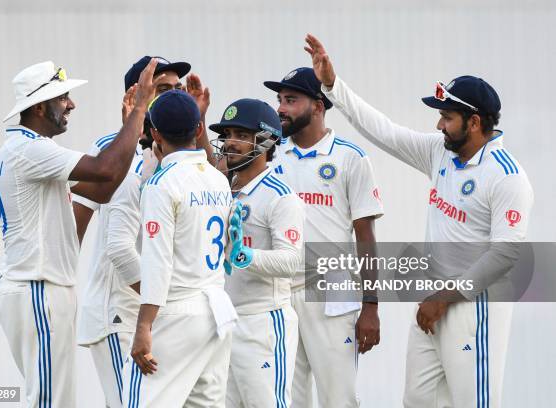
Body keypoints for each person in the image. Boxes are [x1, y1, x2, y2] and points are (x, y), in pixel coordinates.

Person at [304, 33, 534, 407]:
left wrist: (444, 299)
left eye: (447, 117)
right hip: (431, 305)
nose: (439, 126)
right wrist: (332, 86)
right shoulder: (440, 154)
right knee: (417, 401)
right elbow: (384, 131)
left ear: (474, 122)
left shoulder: (507, 177)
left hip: (472, 311)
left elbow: (506, 253)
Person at [0, 59, 159, 407]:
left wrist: (130, 126)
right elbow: (105, 169)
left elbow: (103, 188)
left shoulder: (31, 150)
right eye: (62, 97)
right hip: (38, 287)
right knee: (51, 401)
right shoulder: (30, 150)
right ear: (39, 106)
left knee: (54, 398)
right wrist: (139, 111)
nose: (71, 104)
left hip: (41, 287)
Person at [74, 56, 200, 408]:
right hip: (120, 312)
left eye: (179, 89)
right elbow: (90, 233)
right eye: (163, 89)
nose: (176, 97)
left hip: (154, 312)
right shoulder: (112, 152)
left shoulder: (177, 156)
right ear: (137, 95)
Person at [263, 66, 384, 407]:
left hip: (332, 290)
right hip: (281, 292)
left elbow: (366, 235)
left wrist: (371, 306)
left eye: (291, 100)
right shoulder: (270, 156)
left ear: (318, 106)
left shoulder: (351, 158)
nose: (281, 109)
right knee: (287, 397)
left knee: (338, 399)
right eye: (279, 100)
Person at [122, 90, 237, 407]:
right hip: (216, 311)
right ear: (199, 129)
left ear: (154, 133)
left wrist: (144, 325)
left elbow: (158, 263)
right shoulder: (218, 180)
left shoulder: (162, 184)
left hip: (177, 313)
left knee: (138, 401)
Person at [209, 98, 305, 407]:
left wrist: (245, 256)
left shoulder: (280, 197)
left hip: (263, 324)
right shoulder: (221, 190)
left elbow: (292, 261)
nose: (229, 143)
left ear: (264, 140)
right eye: (227, 135)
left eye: (240, 134)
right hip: (226, 322)